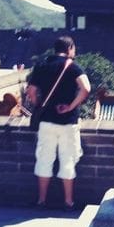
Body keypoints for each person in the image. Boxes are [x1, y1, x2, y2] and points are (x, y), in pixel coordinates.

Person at [26, 36, 91, 210]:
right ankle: (68, 202)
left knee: (44, 159)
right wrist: (70, 106)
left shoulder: (42, 65)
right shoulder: (73, 67)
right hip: (68, 122)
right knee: (68, 159)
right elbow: (86, 88)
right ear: (70, 48)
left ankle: (41, 201)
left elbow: (31, 91)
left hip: (46, 121)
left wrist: (38, 104)